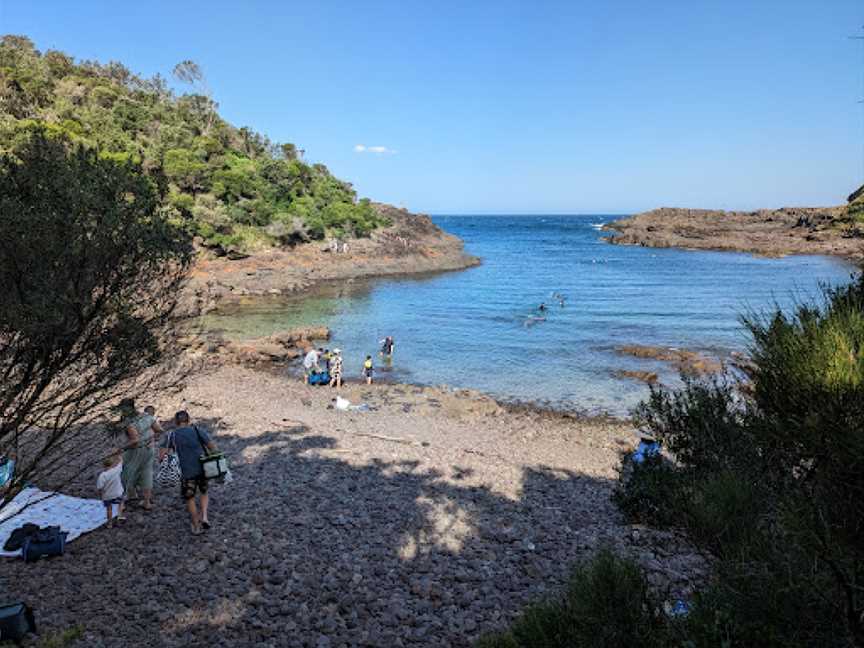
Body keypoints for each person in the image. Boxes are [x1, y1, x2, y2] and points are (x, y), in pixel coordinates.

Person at [159, 410, 218, 535]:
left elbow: (161, 457)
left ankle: (196, 525)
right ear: (188, 420)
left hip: (185, 472)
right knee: (204, 492)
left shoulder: (171, 435)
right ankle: (205, 517)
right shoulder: (197, 430)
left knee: (190, 497)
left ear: (175, 421)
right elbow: (213, 448)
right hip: (203, 468)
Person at [120, 401, 163, 511]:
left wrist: (122, 448)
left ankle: (123, 502)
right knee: (146, 473)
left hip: (136, 450)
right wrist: (152, 439)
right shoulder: (146, 416)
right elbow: (159, 430)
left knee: (126, 472)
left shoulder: (129, 421)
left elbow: (135, 440)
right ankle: (146, 502)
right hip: (149, 450)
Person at [97, 452, 125, 528]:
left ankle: (109, 524)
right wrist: (119, 456)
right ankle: (119, 517)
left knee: (109, 509)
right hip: (117, 493)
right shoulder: (116, 470)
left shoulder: (102, 476)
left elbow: (100, 487)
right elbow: (121, 462)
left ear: (103, 465)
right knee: (121, 503)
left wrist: (101, 496)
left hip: (107, 496)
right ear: (112, 464)